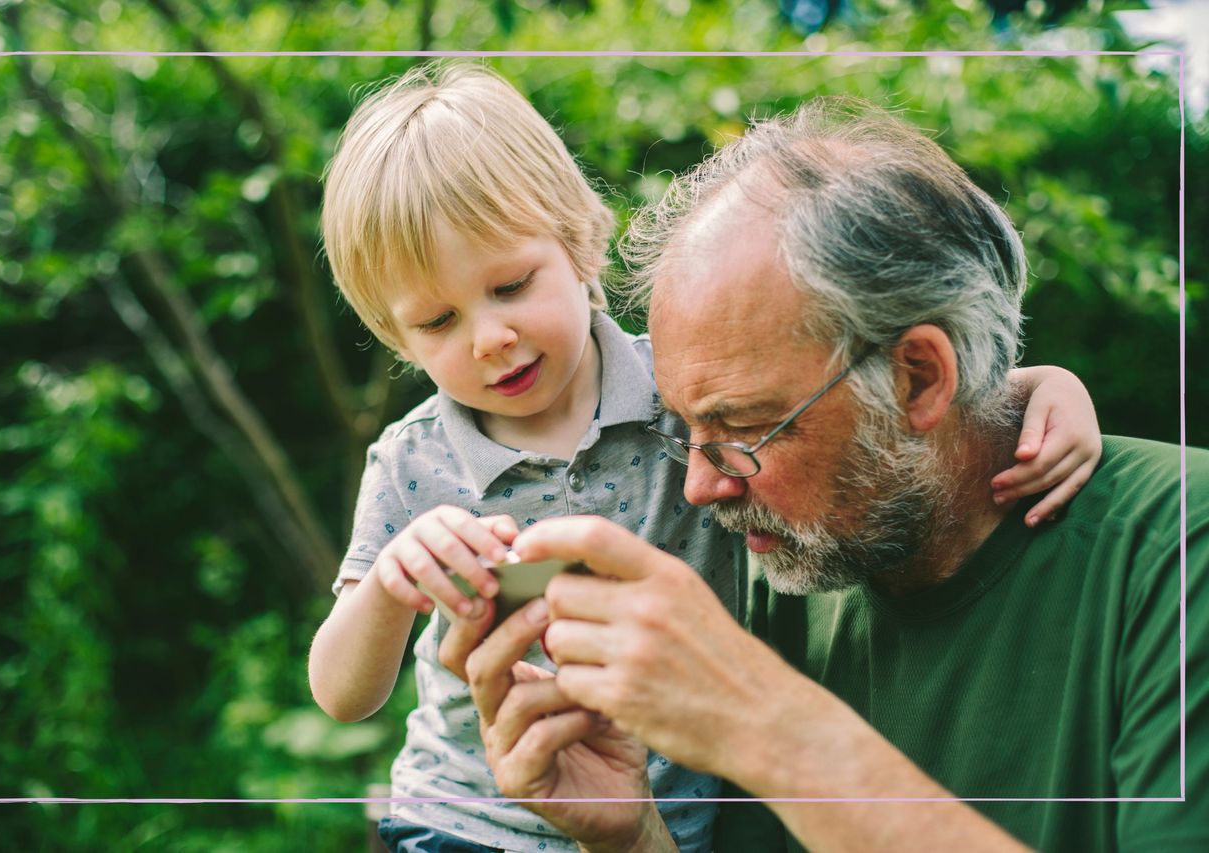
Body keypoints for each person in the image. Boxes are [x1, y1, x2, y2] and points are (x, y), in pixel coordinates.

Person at [309, 67, 1103, 853]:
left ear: (580, 240)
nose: (489, 337)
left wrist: (1043, 388)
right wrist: (387, 586)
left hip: (672, 825)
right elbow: (343, 694)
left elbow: (883, 390)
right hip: (462, 827)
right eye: (438, 321)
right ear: (395, 336)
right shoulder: (415, 462)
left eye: (512, 285)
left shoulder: (682, 392)